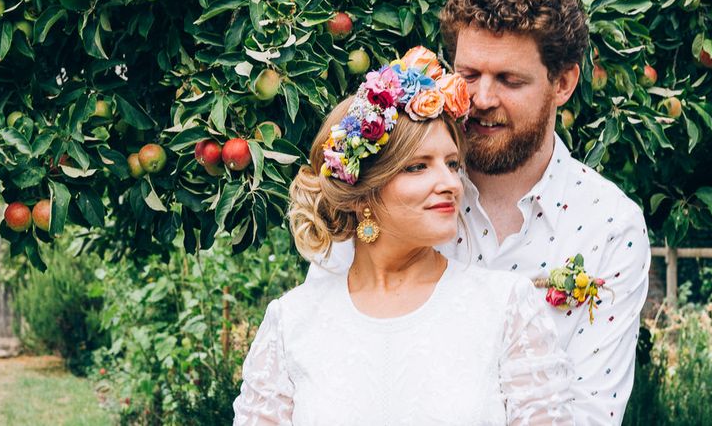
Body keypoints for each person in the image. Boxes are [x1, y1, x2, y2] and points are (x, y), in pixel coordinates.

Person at [308, 0, 651, 425]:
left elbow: (591, 412)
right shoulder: (392, 189)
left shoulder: (610, 226)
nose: (483, 99)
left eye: (510, 80)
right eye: (469, 75)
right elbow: (320, 349)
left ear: (563, 83)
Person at [233, 48, 574, 425]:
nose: (449, 184)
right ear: (362, 190)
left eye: (451, 164)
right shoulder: (292, 323)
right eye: (417, 167)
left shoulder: (506, 308)